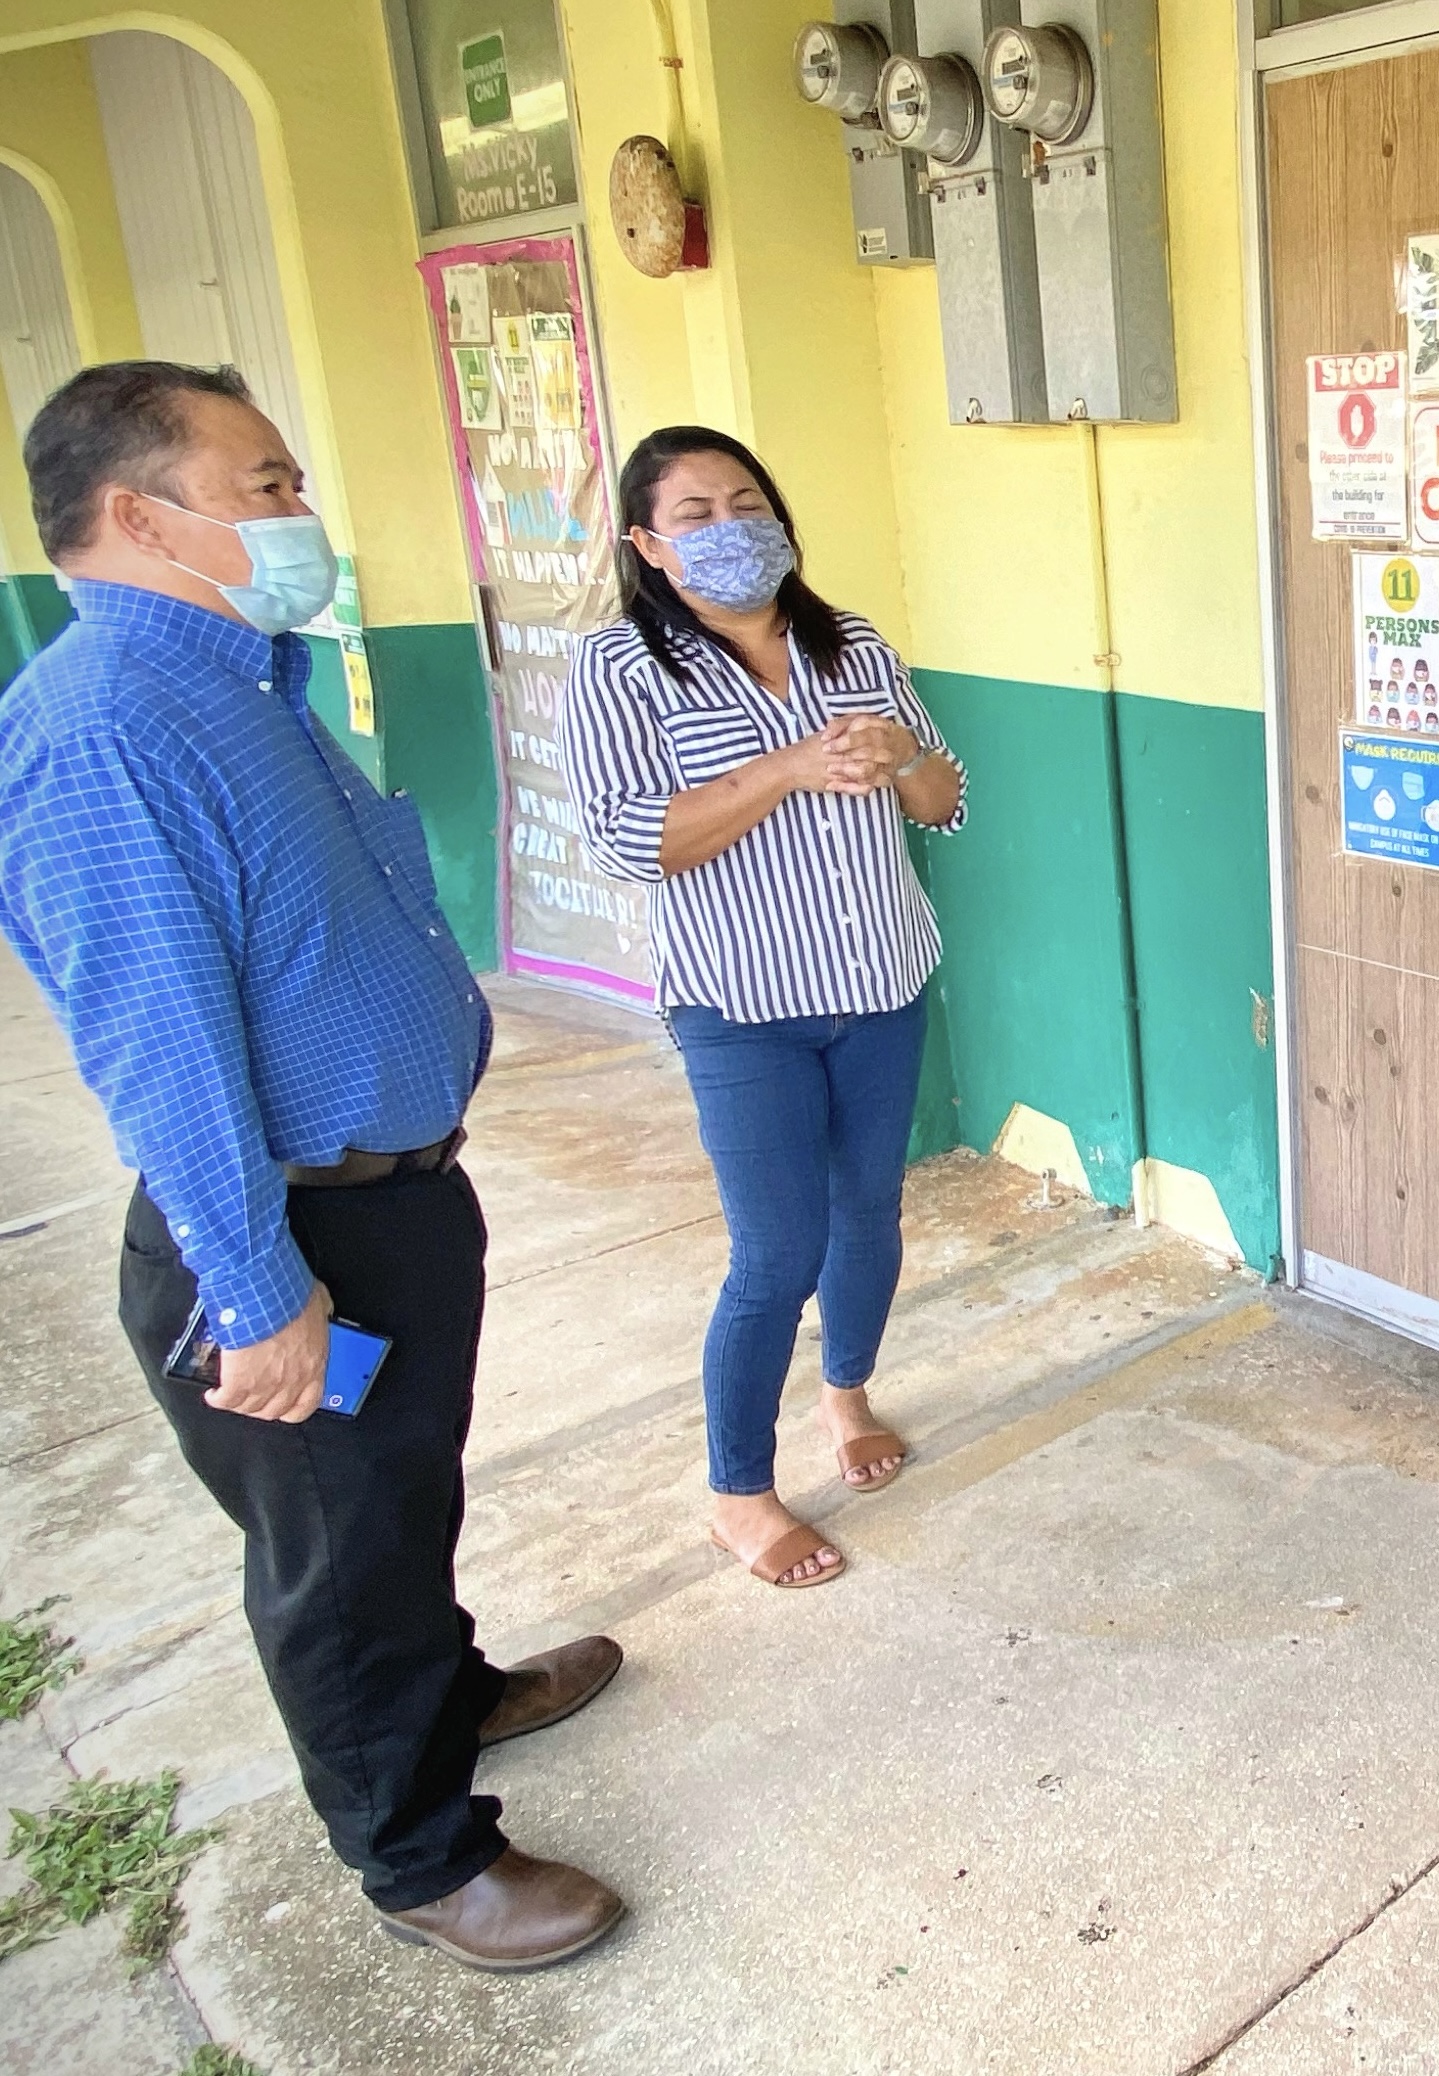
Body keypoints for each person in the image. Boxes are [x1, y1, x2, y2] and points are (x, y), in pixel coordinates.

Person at [0, 362, 626, 1971]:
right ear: (140, 516)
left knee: (400, 1502)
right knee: (335, 1560)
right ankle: (420, 1861)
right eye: (265, 484)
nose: (302, 515)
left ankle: (457, 1696)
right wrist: (260, 1290)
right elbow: (158, 1047)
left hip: (396, 1196)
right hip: (290, 1231)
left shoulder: (244, 683)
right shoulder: (101, 729)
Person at [564, 427, 963, 1591]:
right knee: (777, 1249)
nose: (730, 526)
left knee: (870, 1216)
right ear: (646, 543)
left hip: (882, 983)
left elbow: (945, 799)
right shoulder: (621, 668)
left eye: (746, 501)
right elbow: (636, 840)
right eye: (693, 514)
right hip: (742, 1007)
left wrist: (899, 755)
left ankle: (847, 1397)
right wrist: (786, 768)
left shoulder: (856, 647)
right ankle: (738, 1492)